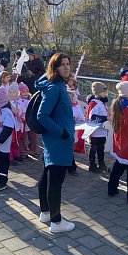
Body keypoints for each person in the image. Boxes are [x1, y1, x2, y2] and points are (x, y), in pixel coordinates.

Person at [35, 53, 75, 233]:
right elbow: (42, 115)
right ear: (54, 67)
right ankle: (57, 222)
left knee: (47, 175)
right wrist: (62, 132)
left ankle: (45, 212)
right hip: (58, 140)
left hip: (55, 139)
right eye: (61, 65)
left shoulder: (57, 84)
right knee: (55, 182)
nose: (66, 67)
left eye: (68, 64)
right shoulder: (55, 87)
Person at [86, 82, 109, 173]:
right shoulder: (94, 103)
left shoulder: (102, 102)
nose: (105, 93)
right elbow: (93, 117)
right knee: (94, 147)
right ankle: (92, 164)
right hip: (95, 130)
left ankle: (101, 164)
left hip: (102, 130)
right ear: (98, 92)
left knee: (101, 148)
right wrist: (106, 118)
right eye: (104, 92)